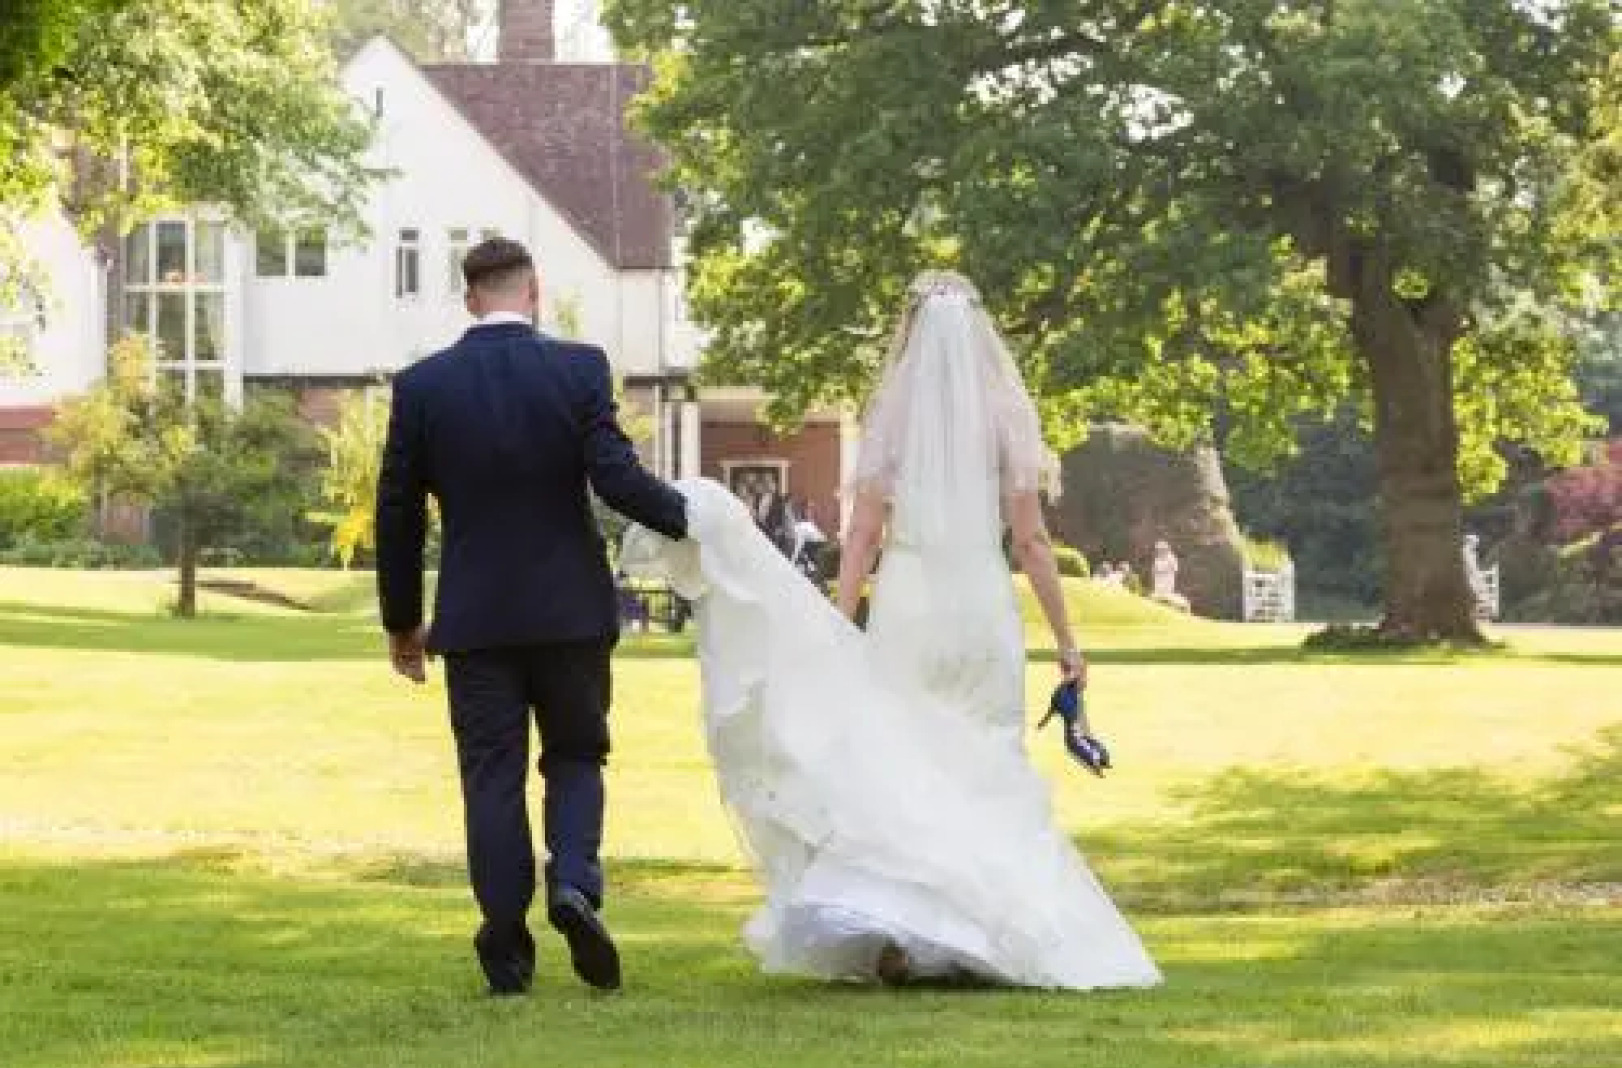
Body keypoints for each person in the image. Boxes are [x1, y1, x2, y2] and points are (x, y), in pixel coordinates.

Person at [623, 270, 1160, 991]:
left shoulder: (894, 418)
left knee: (902, 763)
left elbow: (863, 535)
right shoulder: (1006, 417)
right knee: (987, 764)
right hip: (979, 602)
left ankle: (909, 931)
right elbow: (1033, 543)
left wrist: (841, 620)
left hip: (910, 602)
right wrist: (1067, 642)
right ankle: (992, 931)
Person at [375, 236, 687, 996]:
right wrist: (693, 518)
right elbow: (614, 478)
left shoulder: (424, 387)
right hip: (571, 610)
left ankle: (507, 943)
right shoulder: (579, 370)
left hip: (476, 619)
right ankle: (573, 881)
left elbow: (397, 513)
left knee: (492, 775)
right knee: (576, 756)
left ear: (470, 298)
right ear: (535, 291)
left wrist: (402, 622)